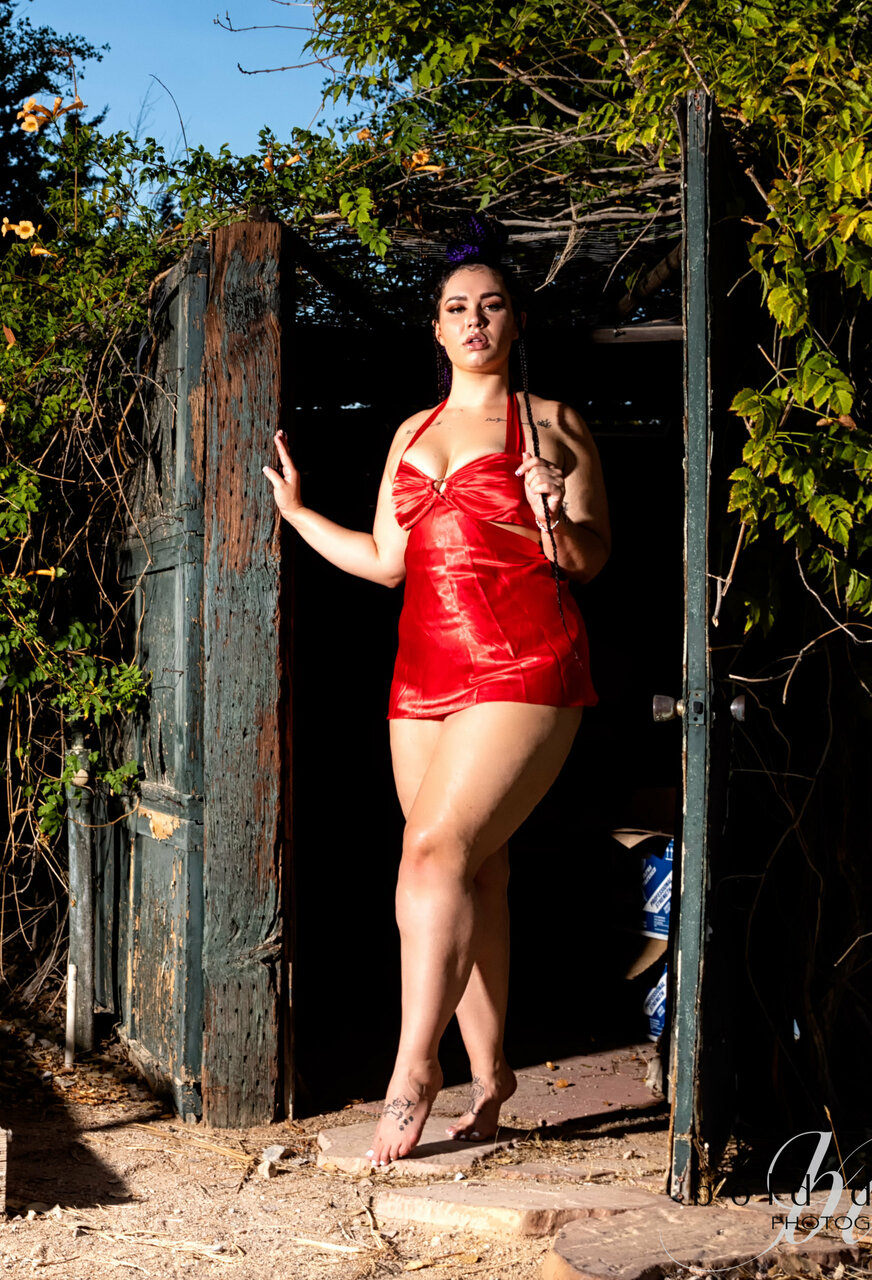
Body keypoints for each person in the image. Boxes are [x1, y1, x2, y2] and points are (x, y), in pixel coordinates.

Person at [260, 230, 611, 1166]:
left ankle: (414, 1067)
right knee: (471, 872)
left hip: (523, 661)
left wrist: (551, 512)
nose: (475, 321)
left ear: (516, 321)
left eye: (491, 305)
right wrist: (298, 515)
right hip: (423, 675)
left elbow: (589, 558)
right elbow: (386, 562)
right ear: (437, 329)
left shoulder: (553, 423)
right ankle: (492, 1080)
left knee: (430, 852)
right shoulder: (410, 433)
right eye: (458, 308)